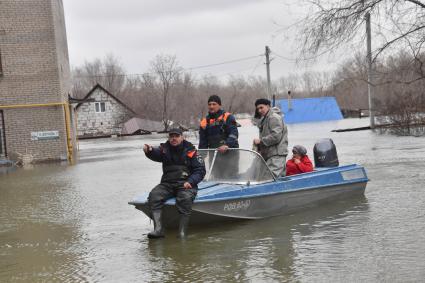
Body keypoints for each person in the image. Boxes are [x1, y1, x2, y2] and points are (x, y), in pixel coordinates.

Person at [144, 128, 206, 239]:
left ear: (182, 137)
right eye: (171, 136)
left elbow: (200, 171)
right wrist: (149, 150)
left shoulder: (192, 151)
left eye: (176, 136)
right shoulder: (164, 149)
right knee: (154, 196)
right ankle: (158, 230)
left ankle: (182, 233)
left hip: (185, 184)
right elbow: (156, 153)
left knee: (184, 198)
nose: (173, 138)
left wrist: (190, 182)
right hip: (167, 184)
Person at [253, 98, 288, 177]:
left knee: (268, 178)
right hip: (270, 156)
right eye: (258, 109)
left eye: (261, 107)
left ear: (268, 106)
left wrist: (261, 141)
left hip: (276, 156)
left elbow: (276, 136)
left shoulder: (273, 118)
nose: (259, 110)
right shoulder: (265, 119)